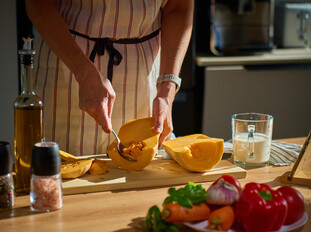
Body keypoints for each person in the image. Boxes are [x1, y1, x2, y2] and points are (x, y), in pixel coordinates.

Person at [25, 0, 194, 156]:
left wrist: (167, 89)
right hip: (64, 64)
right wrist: (82, 71)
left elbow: (179, 7)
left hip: (144, 77)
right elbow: (38, 4)